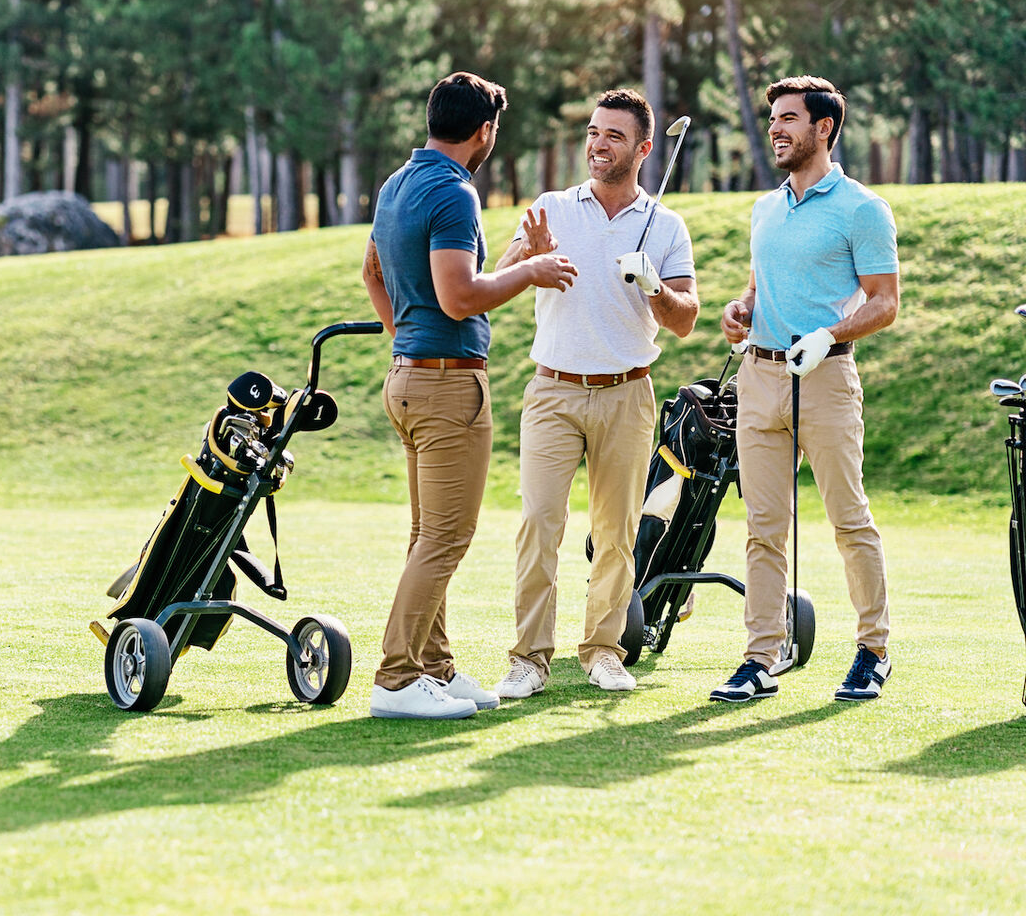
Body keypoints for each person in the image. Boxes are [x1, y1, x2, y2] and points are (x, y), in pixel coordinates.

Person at [361, 72, 580, 720]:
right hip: (447, 385)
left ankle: (435, 667)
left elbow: (374, 272)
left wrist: (408, 340)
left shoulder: (398, 184)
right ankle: (397, 679)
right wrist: (534, 271)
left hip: (410, 378)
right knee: (446, 538)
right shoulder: (455, 192)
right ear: (484, 132)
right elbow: (460, 296)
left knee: (427, 534)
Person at [491, 89, 699, 699]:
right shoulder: (553, 207)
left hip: (627, 394)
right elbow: (498, 279)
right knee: (539, 522)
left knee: (616, 531)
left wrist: (652, 285)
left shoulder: (665, 225)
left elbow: (685, 318)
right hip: (552, 391)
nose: (597, 144)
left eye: (612, 136)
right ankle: (529, 658)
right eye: (592, 132)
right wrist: (525, 255)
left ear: (643, 148)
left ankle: (603, 650)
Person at [714, 74, 899, 703]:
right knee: (764, 528)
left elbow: (885, 303)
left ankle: (873, 650)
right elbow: (758, 287)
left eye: (789, 118)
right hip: (758, 379)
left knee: (849, 520)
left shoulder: (862, 208)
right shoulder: (766, 208)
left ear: (824, 127)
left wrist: (830, 333)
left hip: (824, 379)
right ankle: (761, 657)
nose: (775, 129)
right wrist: (739, 311)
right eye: (773, 120)